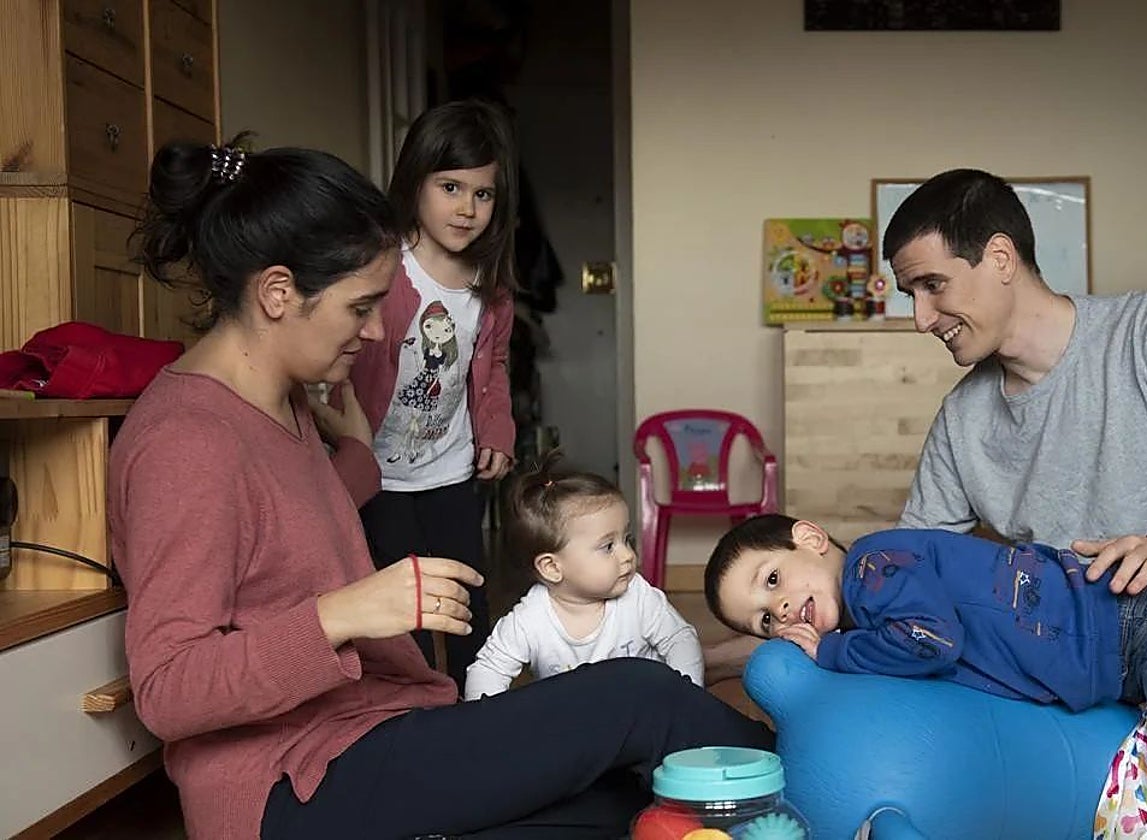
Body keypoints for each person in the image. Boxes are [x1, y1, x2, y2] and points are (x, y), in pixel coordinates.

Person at [110, 138, 774, 840]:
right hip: (289, 778)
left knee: (633, 801)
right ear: (278, 293)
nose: (373, 333)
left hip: (371, 730)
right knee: (639, 700)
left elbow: (287, 513)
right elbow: (168, 690)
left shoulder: (283, 405)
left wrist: (360, 452)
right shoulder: (186, 443)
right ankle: (827, 791)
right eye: (361, 306)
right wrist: (339, 614)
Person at [884, 168, 1147, 609]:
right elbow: (909, 564)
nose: (922, 320)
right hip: (1071, 667)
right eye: (910, 294)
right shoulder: (961, 418)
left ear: (1000, 258)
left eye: (933, 285)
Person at [704, 514, 1147, 793]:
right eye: (766, 619)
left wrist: (832, 652)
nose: (783, 609)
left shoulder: (871, 571)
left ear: (810, 539)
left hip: (1132, 629)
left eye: (773, 580)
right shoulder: (875, 598)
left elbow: (933, 641)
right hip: (1110, 653)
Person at [350, 99, 518, 692]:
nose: (467, 208)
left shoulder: (488, 290)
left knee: (468, 596)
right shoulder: (383, 270)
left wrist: (497, 429)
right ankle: (416, 707)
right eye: (450, 187)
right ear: (414, 180)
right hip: (381, 477)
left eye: (483, 194)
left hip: (450, 472)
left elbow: (492, 366)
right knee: (406, 608)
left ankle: (481, 702)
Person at [464, 457, 704, 701]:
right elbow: (488, 669)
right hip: (576, 727)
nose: (628, 555)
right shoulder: (529, 620)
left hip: (644, 712)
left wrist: (687, 695)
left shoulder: (638, 596)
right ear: (552, 567)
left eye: (627, 539)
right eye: (608, 546)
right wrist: (488, 724)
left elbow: (679, 639)